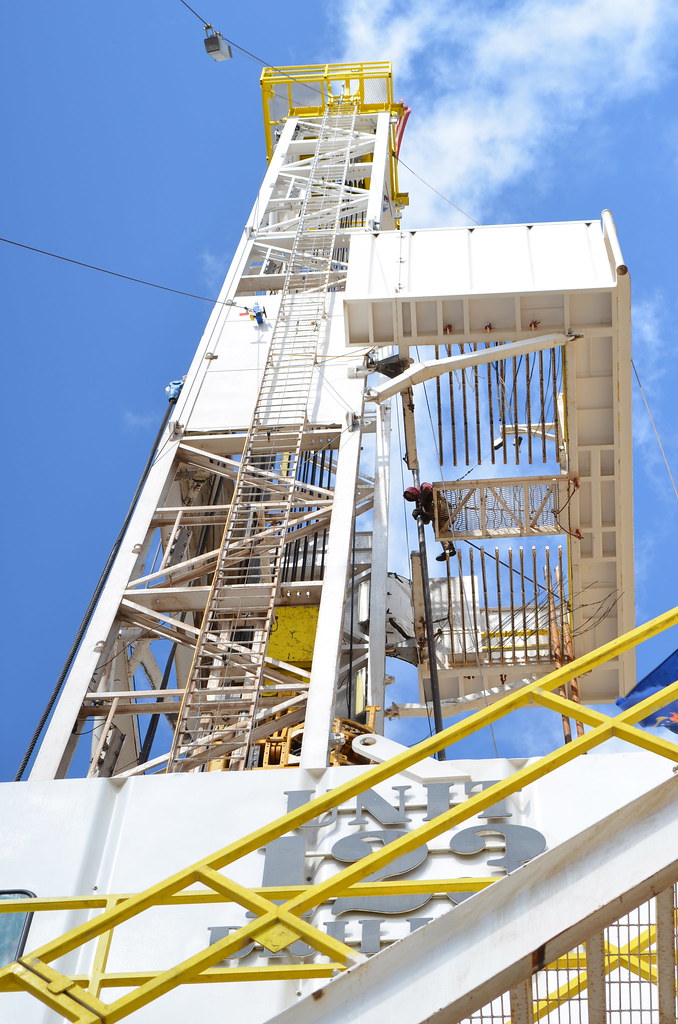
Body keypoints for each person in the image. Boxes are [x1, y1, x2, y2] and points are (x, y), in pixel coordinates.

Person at [403, 484, 456, 561]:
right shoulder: (421, 503)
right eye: (410, 497)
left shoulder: (422, 487)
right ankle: (448, 549)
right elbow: (427, 520)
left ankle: (449, 549)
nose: (412, 496)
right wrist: (420, 515)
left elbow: (427, 488)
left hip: (440, 506)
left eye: (411, 494)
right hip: (436, 514)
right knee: (438, 530)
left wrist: (422, 504)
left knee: (439, 527)